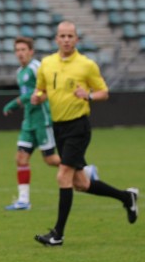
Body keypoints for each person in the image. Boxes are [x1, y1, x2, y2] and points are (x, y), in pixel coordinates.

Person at [30, 21, 138, 246]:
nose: (67, 39)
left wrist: (87, 95)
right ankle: (126, 197)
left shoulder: (86, 65)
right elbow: (41, 89)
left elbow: (103, 92)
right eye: (63, 36)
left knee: (63, 176)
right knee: (81, 183)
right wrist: (38, 96)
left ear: (77, 40)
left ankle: (57, 234)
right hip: (58, 127)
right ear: (56, 39)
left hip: (78, 127)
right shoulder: (47, 64)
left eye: (71, 36)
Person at [2, 36, 99, 210]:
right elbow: (28, 95)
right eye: (17, 50)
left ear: (31, 51)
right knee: (21, 158)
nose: (20, 53)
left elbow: (40, 91)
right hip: (29, 121)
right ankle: (24, 200)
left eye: (24, 50)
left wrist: (15, 103)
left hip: (43, 120)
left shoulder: (37, 67)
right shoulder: (20, 72)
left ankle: (85, 170)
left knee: (50, 159)